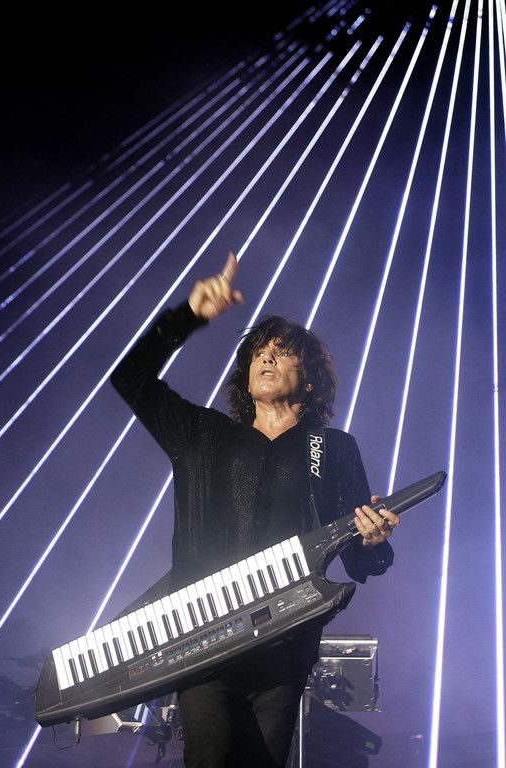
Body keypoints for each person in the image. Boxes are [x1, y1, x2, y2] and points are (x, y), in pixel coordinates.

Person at [110, 252, 399, 768]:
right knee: (212, 754)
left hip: (284, 647)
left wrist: (375, 541)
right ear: (244, 374)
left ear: (308, 381)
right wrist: (187, 316)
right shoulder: (203, 434)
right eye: (258, 353)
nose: (266, 359)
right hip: (202, 639)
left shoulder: (333, 448)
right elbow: (130, 376)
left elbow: (360, 560)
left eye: (281, 353)